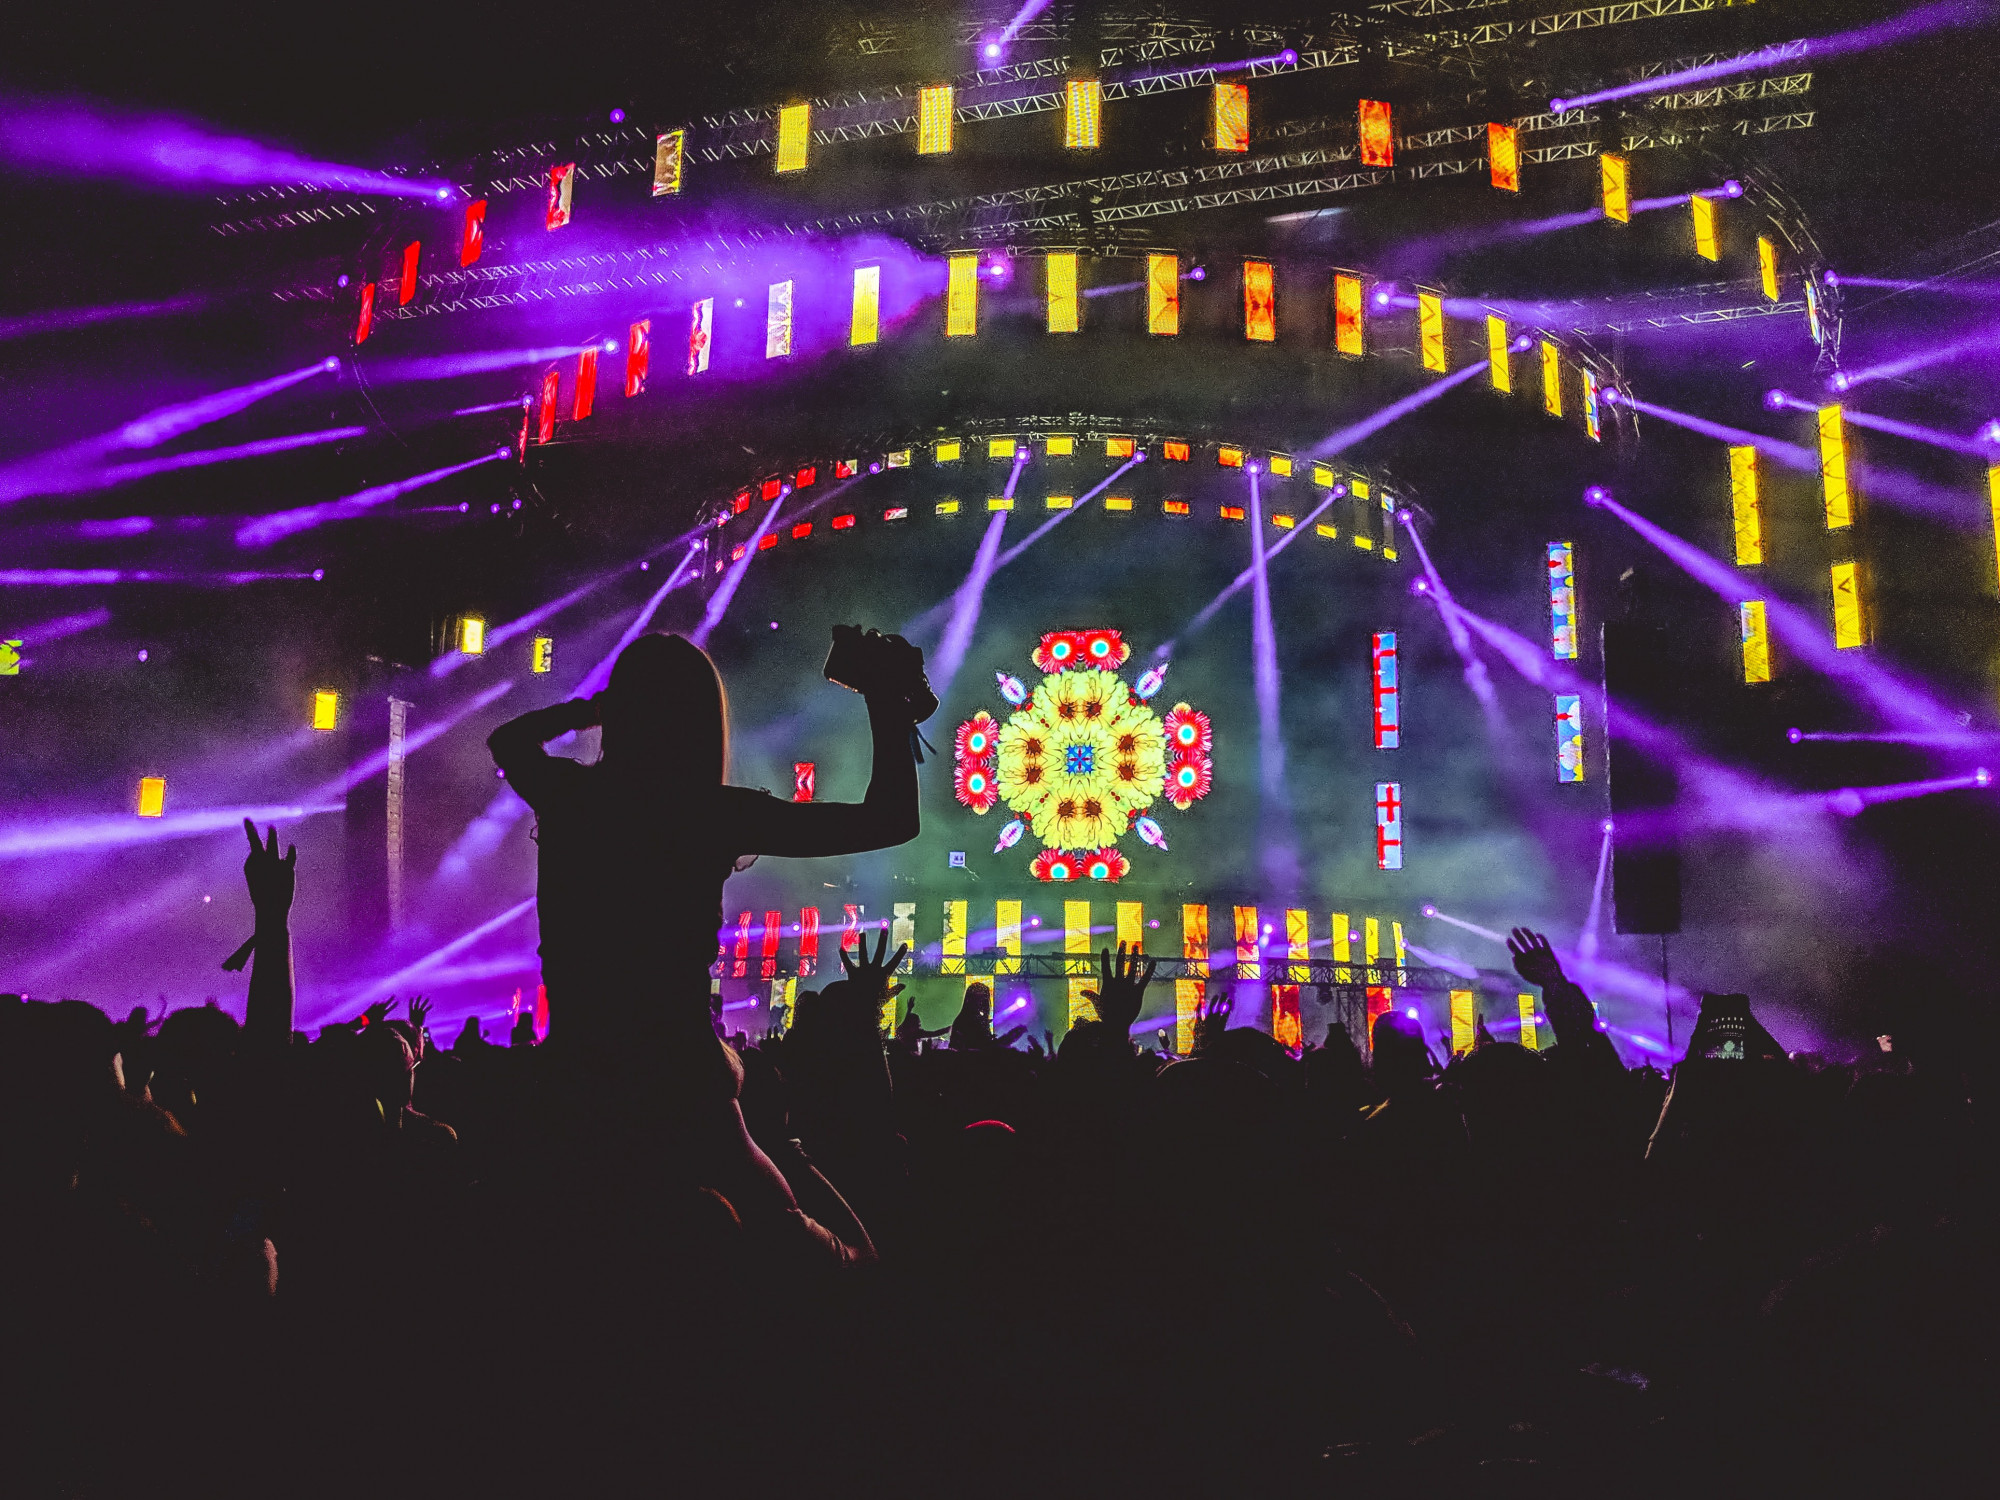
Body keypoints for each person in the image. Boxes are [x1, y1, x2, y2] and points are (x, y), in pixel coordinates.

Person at [487, 630, 924, 1058]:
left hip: (574, 1078)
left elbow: (507, 741)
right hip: (678, 1083)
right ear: (701, 720)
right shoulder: (713, 813)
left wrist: (593, 710)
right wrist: (884, 699)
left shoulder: (572, 795)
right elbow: (888, 822)